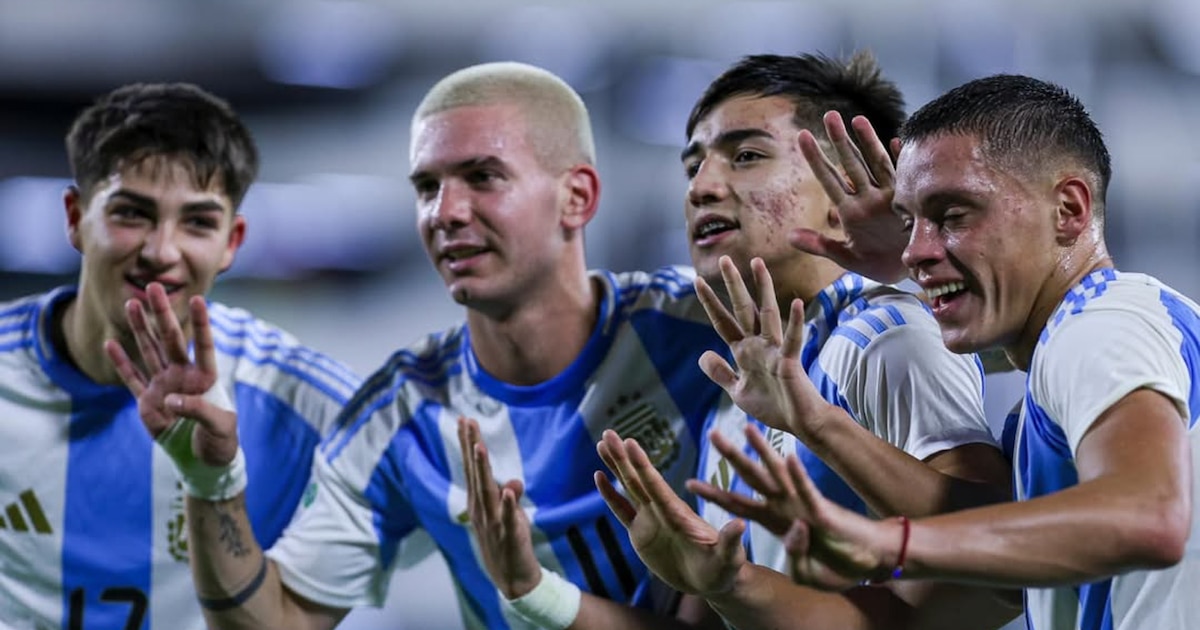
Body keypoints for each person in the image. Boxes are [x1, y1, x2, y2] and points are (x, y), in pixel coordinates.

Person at [111, 62, 739, 630]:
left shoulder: (705, 328)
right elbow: (274, 623)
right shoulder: (402, 414)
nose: (446, 212)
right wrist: (213, 480)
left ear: (576, 198)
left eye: (482, 177)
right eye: (426, 187)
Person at [695, 74, 1200, 630]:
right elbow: (981, 548)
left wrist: (887, 541)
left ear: (1069, 209)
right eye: (910, 222)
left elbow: (1148, 516)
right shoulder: (1069, 362)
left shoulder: (1099, 324)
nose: (915, 251)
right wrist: (814, 422)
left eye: (954, 214)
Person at [594, 52, 1018, 629]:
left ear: (845, 195)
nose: (702, 188)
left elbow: (990, 581)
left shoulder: (886, 339)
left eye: (746, 156)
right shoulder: (738, 389)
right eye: (692, 168)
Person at [0, 83, 359, 630]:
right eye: (132, 214)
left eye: (197, 222)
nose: (162, 252)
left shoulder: (297, 397)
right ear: (74, 217)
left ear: (232, 241)